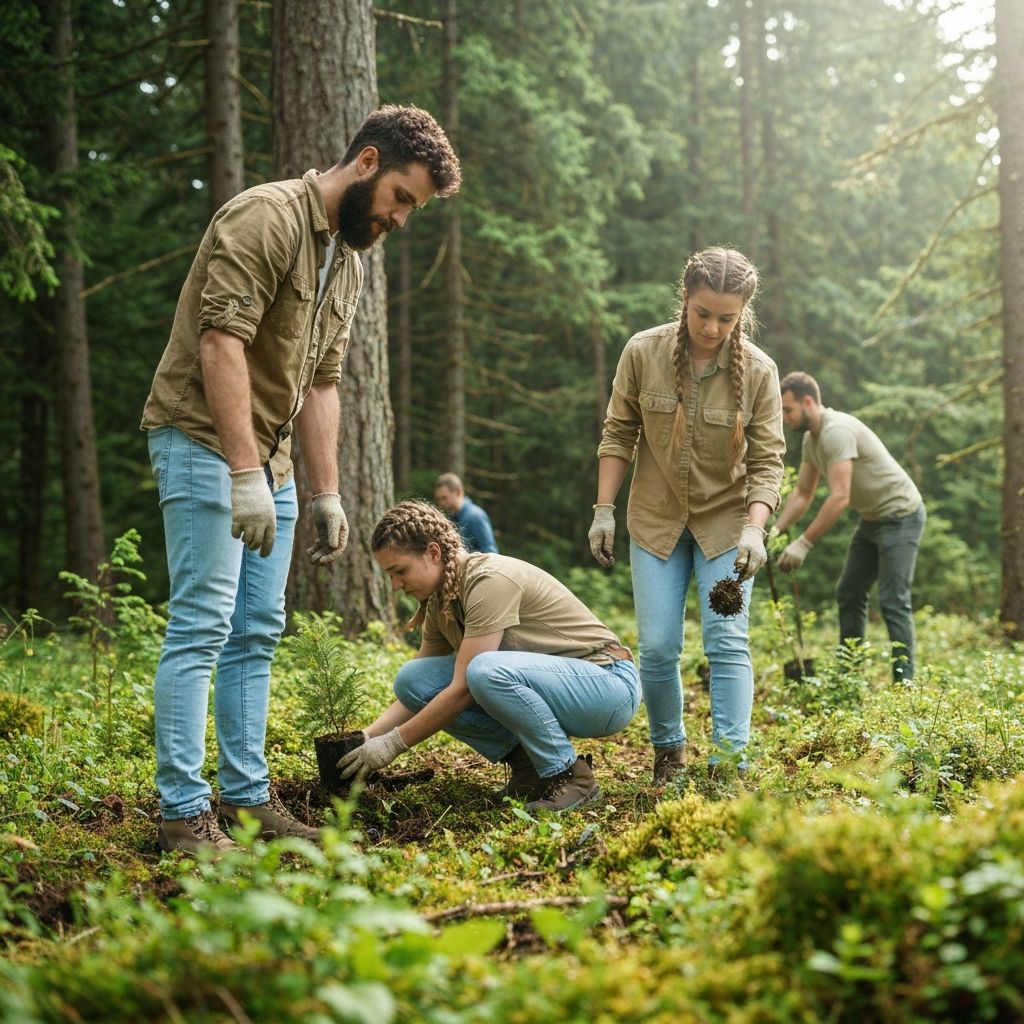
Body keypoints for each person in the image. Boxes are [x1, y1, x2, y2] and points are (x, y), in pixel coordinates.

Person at [140, 106, 461, 855]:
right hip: (203, 443)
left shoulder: (346, 257)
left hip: (274, 465)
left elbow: (322, 384)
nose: (402, 219)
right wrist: (244, 473)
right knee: (202, 627)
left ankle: (248, 800)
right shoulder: (265, 217)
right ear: (369, 162)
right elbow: (221, 344)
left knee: (256, 632)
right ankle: (182, 812)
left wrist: (325, 491)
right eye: (403, 199)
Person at [589, 247, 784, 785]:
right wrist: (603, 510)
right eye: (703, 313)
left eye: (727, 318)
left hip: (727, 526)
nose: (713, 327)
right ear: (685, 299)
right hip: (655, 521)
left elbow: (768, 461)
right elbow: (618, 433)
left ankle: (729, 762)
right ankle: (668, 751)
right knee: (656, 646)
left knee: (726, 642)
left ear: (743, 311)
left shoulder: (761, 373)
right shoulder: (642, 352)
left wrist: (755, 528)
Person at [338, 500, 641, 813]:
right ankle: (531, 768)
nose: (395, 585)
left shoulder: (488, 580)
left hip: (607, 686)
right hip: (572, 689)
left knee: (483, 671)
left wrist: (393, 745)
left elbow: (462, 690)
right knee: (412, 680)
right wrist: (369, 736)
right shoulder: (443, 599)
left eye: (400, 571)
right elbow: (419, 688)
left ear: (433, 553)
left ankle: (570, 777)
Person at [774, 371, 926, 681]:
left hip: (902, 516)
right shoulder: (811, 440)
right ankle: (850, 675)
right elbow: (803, 493)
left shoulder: (837, 431)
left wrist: (802, 543)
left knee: (893, 600)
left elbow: (840, 497)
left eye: (787, 410)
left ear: (807, 402)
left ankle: (904, 684)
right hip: (872, 519)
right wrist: (774, 532)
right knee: (849, 591)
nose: (785, 418)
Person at [434, 472, 499, 553]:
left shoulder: (475, 516)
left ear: (458, 492)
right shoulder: (450, 518)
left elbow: (491, 553)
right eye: (438, 499)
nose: (441, 503)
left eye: (444, 498)